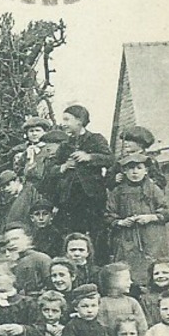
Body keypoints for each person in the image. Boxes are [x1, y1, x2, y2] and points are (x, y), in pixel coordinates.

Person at [51, 105, 114, 258]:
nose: (63, 123)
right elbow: (51, 169)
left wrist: (90, 157)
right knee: (73, 236)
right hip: (70, 199)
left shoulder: (95, 139)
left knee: (97, 235)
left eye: (67, 119)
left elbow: (110, 159)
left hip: (93, 199)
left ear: (79, 121)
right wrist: (64, 166)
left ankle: (98, 266)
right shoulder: (65, 145)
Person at [106, 152, 169, 277]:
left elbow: (167, 212)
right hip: (127, 237)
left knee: (154, 266)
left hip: (152, 236)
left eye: (139, 168)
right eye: (131, 168)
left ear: (146, 171)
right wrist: (120, 222)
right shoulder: (118, 191)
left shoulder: (153, 189)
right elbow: (109, 214)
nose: (134, 172)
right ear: (124, 171)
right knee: (128, 268)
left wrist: (151, 217)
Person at [9, 114, 61, 227]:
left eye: (37, 130)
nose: (34, 134)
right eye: (31, 131)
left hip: (46, 189)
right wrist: (26, 157)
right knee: (17, 216)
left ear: (44, 132)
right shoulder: (23, 150)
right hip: (28, 189)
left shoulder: (52, 149)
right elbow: (19, 171)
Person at [98, 262, 147, 336]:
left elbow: (142, 327)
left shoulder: (132, 302)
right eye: (127, 279)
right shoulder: (102, 303)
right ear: (112, 282)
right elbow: (101, 329)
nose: (131, 282)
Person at [4, 223, 52, 294]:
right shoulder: (8, 262)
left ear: (29, 239)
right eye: (8, 241)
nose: (11, 243)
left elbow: (50, 284)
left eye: (15, 239)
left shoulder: (41, 258)